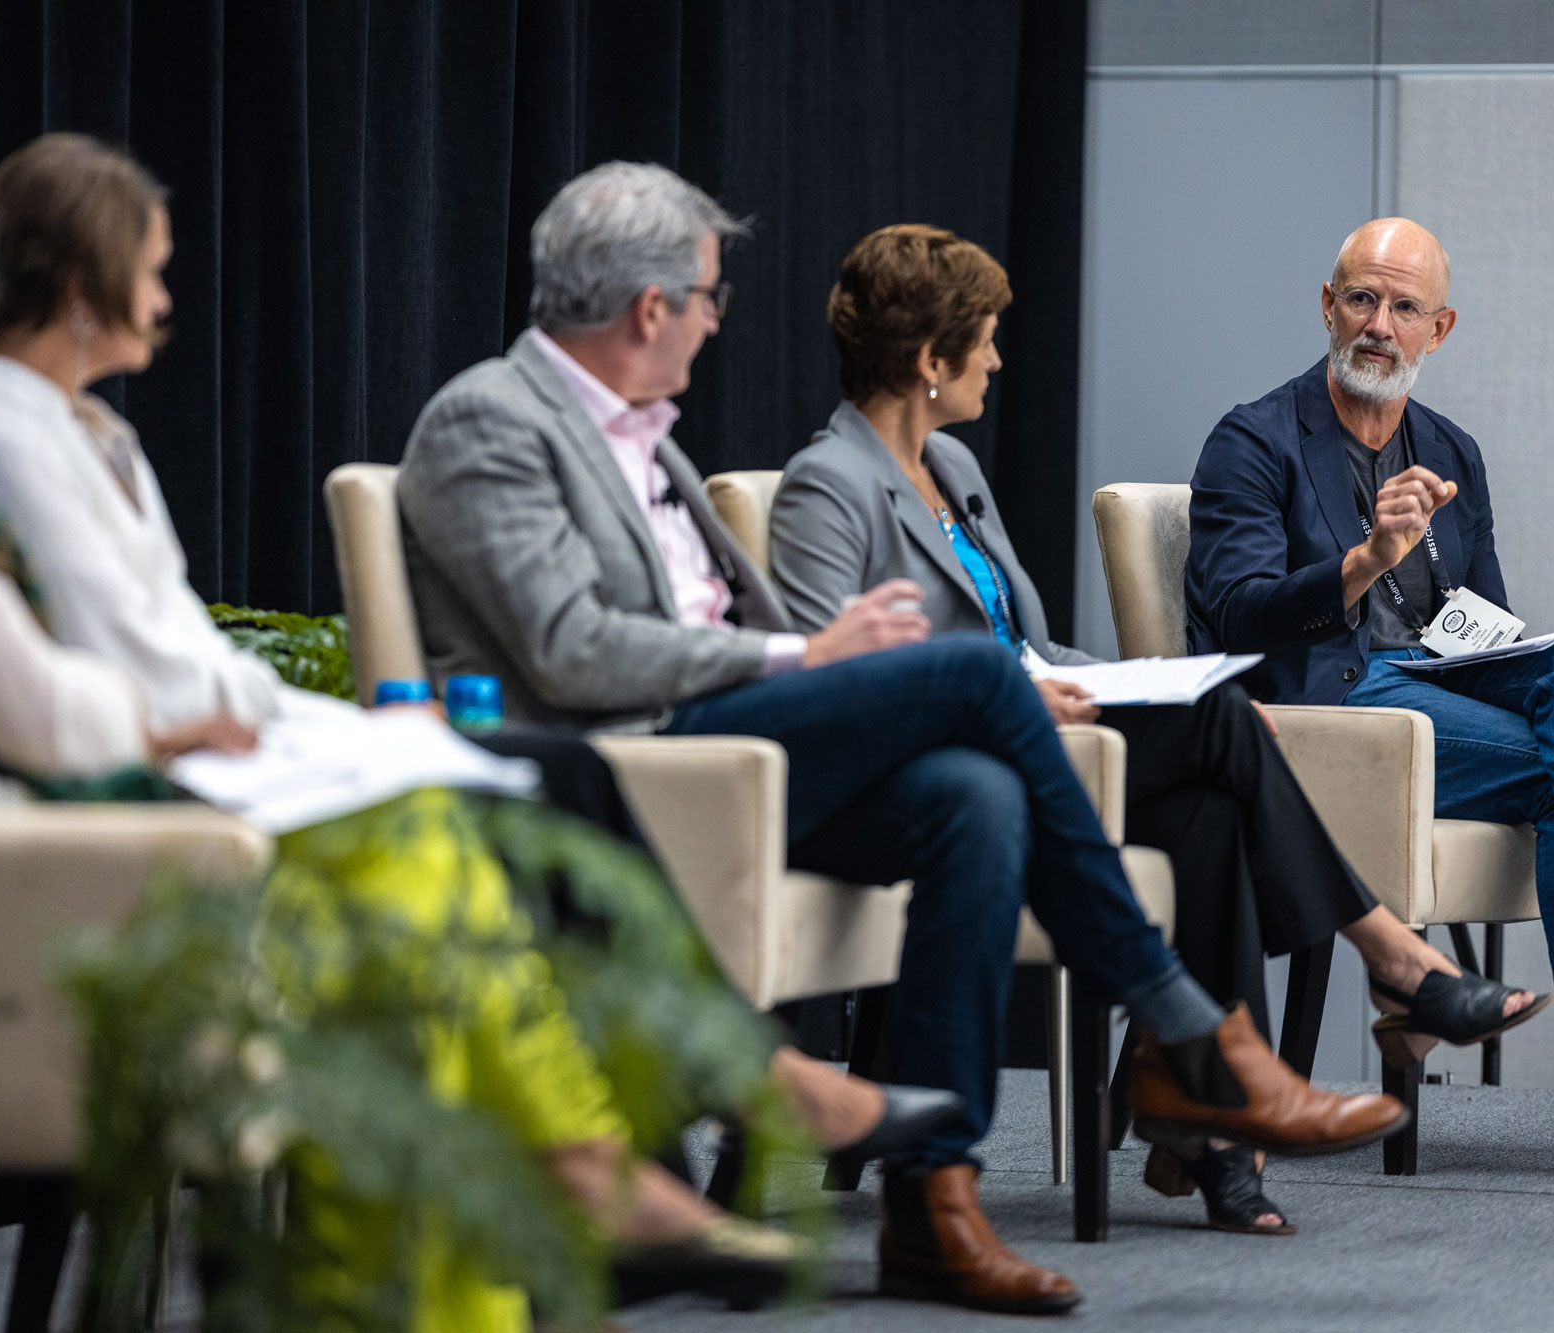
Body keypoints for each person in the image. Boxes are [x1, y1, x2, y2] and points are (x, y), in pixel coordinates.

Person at [0, 132, 973, 1322]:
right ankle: (729, 1100)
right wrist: (247, 724)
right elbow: (116, 661)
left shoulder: (102, 435)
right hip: (151, 791)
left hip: (234, 744)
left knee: (548, 772)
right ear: (83, 286)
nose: (170, 295)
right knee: (557, 767)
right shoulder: (0, 429)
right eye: (153, 267)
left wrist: (301, 715)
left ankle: (666, 1143)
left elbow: (182, 639)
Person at [397, 159, 1409, 1315]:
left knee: (972, 800)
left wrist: (821, 666)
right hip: (637, 758)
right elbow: (572, 652)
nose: (715, 321)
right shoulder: (490, 419)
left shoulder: (647, 437)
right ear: (647, 309)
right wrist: (806, 659)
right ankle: (1188, 1029)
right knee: (974, 673)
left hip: (730, 744)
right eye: (707, 297)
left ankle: (936, 1207)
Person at [765, 222, 1550, 1234]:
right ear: (929, 360)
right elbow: (832, 673)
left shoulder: (952, 467)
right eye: (986, 338)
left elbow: (1030, 642)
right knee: (1228, 725)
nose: (1001, 358)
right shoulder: (826, 485)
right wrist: (1006, 683)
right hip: (949, 755)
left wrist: (1132, 679)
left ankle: (1218, 1133)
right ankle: (1389, 964)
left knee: (1211, 806)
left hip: (1041, 721)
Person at [1184, 217, 1554, 1185]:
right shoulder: (1253, 439)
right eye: (1360, 298)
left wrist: (1513, 647)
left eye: (1402, 306)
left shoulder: (1450, 448)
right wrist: (1365, 560)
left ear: (1436, 329)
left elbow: (1481, 618)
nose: (1377, 322)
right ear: (1326, 307)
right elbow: (1235, 616)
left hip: (1434, 689)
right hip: (1327, 711)